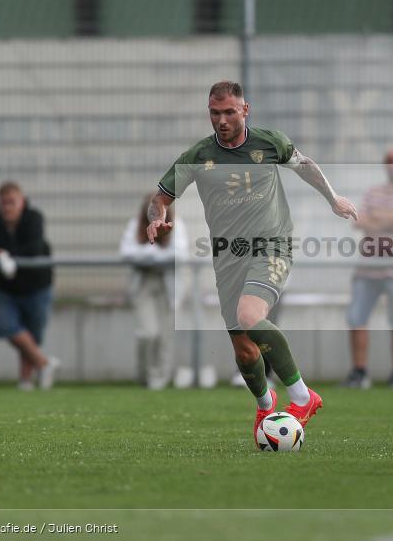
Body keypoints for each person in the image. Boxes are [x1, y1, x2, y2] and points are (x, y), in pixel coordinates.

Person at [147, 80, 358, 443]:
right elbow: (160, 198)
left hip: (271, 246)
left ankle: (304, 397)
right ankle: (265, 404)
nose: (222, 120)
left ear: (245, 110)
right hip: (227, 257)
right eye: (215, 113)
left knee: (250, 316)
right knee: (245, 351)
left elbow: (304, 165)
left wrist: (333, 198)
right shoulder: (198, 156)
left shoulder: (269, 142)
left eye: (230, 111)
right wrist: (156, 218)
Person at [343, 146, 393, 389]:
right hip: (368, 266)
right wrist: (390, 219)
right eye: (390, 160)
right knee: (357, 318)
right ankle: (359, 372)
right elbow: (359, 222)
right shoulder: (372, 191)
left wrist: (377, 218)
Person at [0, 182, 59, 390]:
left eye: (12, 202)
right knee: (7, 328)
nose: (7, 207)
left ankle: (25, 381)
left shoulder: (34, 218)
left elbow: (33, 248)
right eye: (3, 203)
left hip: (37, 285)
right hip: (6, 287)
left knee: (31, 335)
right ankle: (45, 364)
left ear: (22, 202)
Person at [120, 192, 189, 390]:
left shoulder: (177, 225)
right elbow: (126, 252)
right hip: (144, 282)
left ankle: (160, 378)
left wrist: (150, 255)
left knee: (165, 335)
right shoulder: (135, 225)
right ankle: (144, 374)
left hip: (169, 283)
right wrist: (152, 254)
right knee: (147, 333)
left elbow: (179, 253)